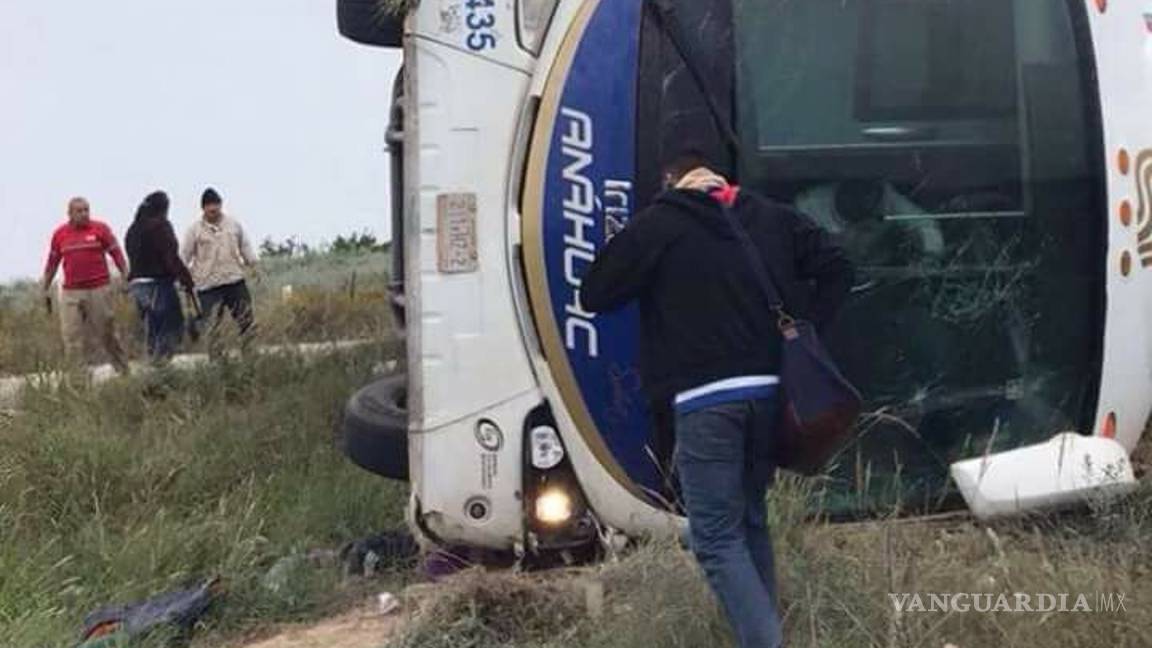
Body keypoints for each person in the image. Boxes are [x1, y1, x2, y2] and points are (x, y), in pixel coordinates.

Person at [580, 153, 853, 648]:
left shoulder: (661, 224)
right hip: (770, 395)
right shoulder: (770, 216)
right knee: (749, 520)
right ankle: (765, 631)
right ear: (721, 178)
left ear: (673, 181)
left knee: (714, 537)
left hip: (707, 401)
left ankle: (766, 642)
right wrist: (807, 325)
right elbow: (838, 265)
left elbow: (595, 292)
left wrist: (640, 228)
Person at [41, 197, 131, 375]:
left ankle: (123, 371)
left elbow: (116, 253)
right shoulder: (60, 234)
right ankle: (77, 379)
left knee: (107, 332)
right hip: (71, 292)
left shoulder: (100, 229)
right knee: (71, 337)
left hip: (98, 288)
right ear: (70, 214)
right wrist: (45, 286)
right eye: (79, 211)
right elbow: (52, 262)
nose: (84, 214)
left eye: (86, 210)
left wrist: (125, 275)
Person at [124, 191, 195, 363]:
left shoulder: (133, 229)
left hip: (137, 286)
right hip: (158, 283)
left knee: (153, 327)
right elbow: (170, 256)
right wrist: (186, 279)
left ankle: (152, 364)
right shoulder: (160, 226)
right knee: (171, 326)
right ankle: (161, 368)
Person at [181, 188, 258, 346]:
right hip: (208, 286)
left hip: (234, 280)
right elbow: (184, 256)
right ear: (203, 208)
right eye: (210, 207)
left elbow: (245, 246)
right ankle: (217, 362)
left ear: (221, 205)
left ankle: (250, 355)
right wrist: (184, 280)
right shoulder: (194, 230)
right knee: (213, 327)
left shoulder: (233, 225)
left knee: (246, 320)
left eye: (216, 206)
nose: (213, 210)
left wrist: (253, 266)